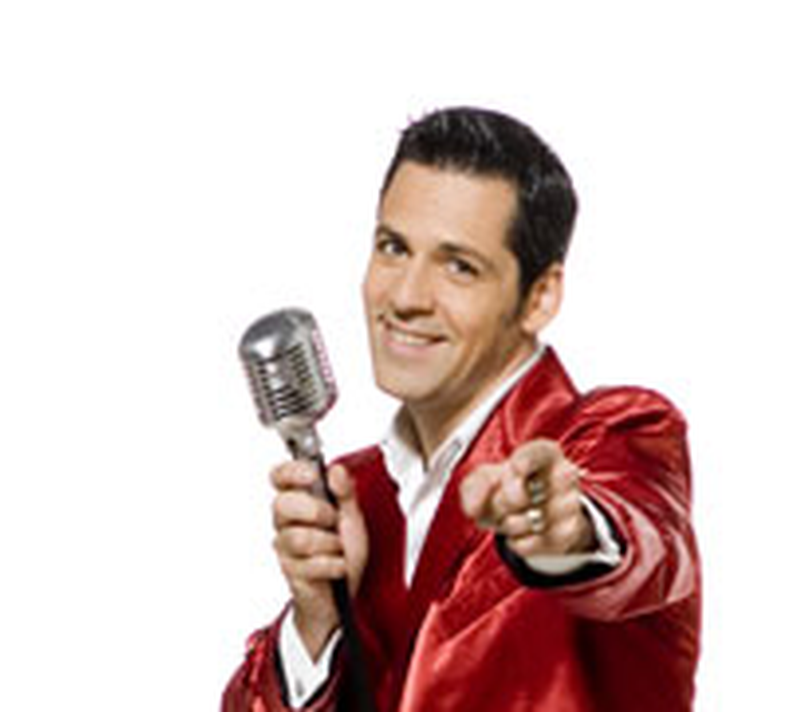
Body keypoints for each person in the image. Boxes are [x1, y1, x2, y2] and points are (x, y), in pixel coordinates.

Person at [223, 107, 700, 711]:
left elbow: (645, 539)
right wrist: (316, 620)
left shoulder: (613, 435)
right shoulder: (352, 494)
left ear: (540, 296)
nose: (405, 297)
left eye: (459, 266)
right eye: (394, 248)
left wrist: (564, 534)